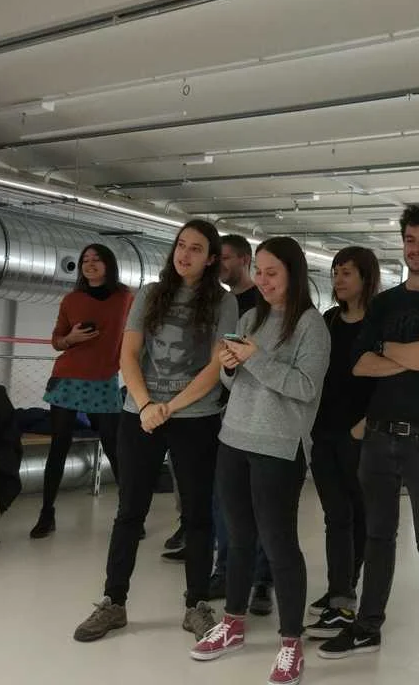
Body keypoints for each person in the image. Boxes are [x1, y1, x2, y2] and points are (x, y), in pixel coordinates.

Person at [317, 203, 419, 685]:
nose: (417, 249)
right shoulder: (384, 304)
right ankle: (367, 627)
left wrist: (398, 351)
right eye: (410, 240)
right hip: (379, 435)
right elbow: (360, 363)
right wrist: (407, 350)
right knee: (378, 536)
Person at [73, 220, 238, 643]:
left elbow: (216, 366)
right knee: (130, 511)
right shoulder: (150, 293)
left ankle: (196, 605)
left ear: (211, 258)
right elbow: (128, 354)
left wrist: (171, 407)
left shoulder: (224, 302)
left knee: (197, 514)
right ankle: (113, 601)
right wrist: (147, 405)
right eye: (181, 245)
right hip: (141, 414)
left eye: (196, 248)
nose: (185, 254)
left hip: (195, 417)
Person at [190, 236, 331, 685]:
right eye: (260, 271)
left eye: (273, 273)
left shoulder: (311, 326)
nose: (264, 281)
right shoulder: (250, 318)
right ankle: (232, 623)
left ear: (293, 274)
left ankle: (291, 643)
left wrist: (255, 357)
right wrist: (230, 365)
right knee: (237, 540)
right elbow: (236, 384)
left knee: (279, 544)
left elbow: (306, 388)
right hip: (234, 438)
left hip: (279, 447)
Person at [163, 233, 274, 616]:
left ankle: (262, 580)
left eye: (225, 258)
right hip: (214, 412)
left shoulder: (261, 304)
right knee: (222, 499)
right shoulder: (215, 302)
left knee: (258, 504)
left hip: (253, 415)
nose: (218, 264)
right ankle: (225, 571)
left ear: (244, 260)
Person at [30, 244, 133, 539]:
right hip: (68, 376)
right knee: (59, 445)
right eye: (85, 260)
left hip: (104, 378)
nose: (90, 264)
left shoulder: (125, 298)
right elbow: (57, 341)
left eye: (96, 259)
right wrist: (71, 338)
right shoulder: (71, 299)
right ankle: (46, 513)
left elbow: (136, 333)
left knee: (114, 446)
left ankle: (129, 515)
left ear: (109, 265)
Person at [304, 246, 380, 638]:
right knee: (336, 514)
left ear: (366, 277)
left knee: (357, 513)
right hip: (324, 432)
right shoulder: (329, 320)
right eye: (335, 272)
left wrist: (362, 428)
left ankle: (343, 595)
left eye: (347, 272)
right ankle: (341, 592)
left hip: (360, 436)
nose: (338, 279)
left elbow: (390, 382)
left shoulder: (379, 324)